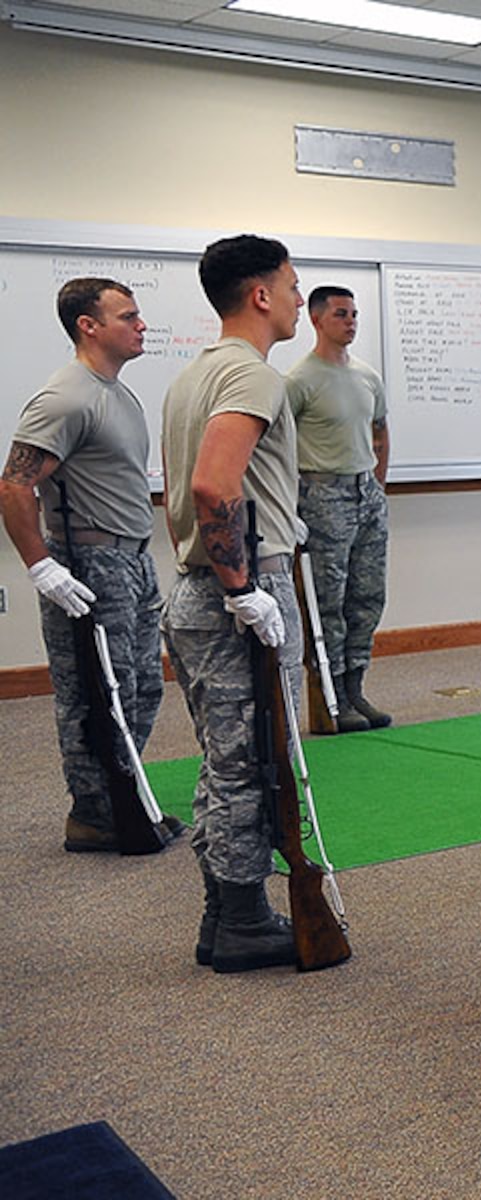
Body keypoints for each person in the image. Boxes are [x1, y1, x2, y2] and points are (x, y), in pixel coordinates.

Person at [160, 234, 312, 974]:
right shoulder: (252, 378)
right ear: (260, 294)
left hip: (198, 590)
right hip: (236, 592)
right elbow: (213, 488)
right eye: (290, 285)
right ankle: (244, 919)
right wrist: (245, 589)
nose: (297, 299)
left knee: (226, 763)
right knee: (252, 761)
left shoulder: (194, 375)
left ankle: (226, 912)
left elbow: (180, 498)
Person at [0, 278, 180, 852]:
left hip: (130, 560)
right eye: (128, 316)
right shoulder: (66, 397)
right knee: (93, 691)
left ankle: (121, 797)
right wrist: (40, 567)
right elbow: (14, 484)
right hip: (90, 562)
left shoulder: (116, 392)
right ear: (89, 326)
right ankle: (95, 814)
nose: (141, 324)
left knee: (140, 689)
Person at [287, 285, 392, 732]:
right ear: (316, 319)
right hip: (321, 497)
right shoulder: (299, 381)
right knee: (327, 601)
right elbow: (277, 448)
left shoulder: (367, 376)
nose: (350, 321)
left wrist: (378, 487)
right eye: (340, 314)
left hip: (365, 493)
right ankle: (328, 700)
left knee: (367, 596)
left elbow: (381, 434)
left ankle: (354, 690)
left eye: (354, 314)